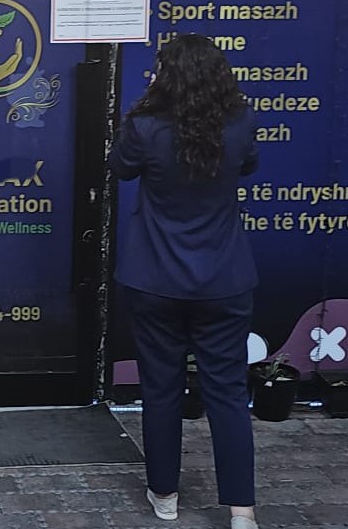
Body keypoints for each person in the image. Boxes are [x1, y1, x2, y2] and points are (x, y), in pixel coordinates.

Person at [110, 34, 260, 529]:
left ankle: (165, 496)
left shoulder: (145, 126)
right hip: (225, 280)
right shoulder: (239, 122)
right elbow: (248, 165)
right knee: (228, 395)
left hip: (154, 280)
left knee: (161, 390)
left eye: (158, 69)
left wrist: (143, 105)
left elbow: (120, 167)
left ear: (168, 77)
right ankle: (242, 512)